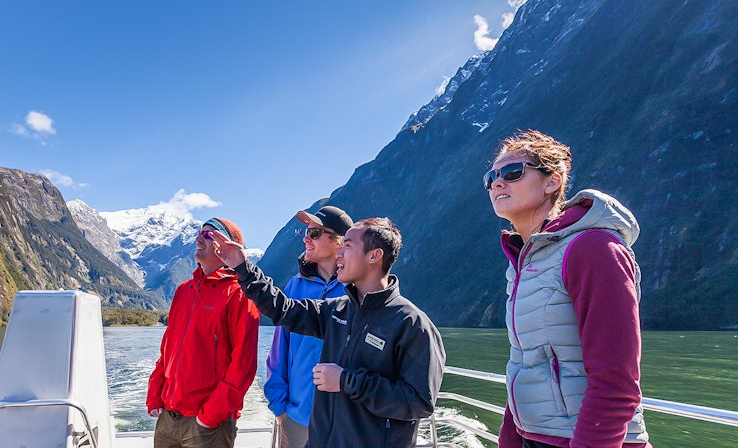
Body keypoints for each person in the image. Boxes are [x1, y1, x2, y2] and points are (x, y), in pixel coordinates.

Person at [211, 217, 446, 448]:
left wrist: (346, 381)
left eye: (348, 246)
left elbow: (418, 402)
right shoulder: (338, 310)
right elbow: (284, 309)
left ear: (374, 256)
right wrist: (243, 268)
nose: (340, 254)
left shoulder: (412, 325)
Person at [484, 130, 650, 448]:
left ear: (552, 182)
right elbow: (525, 365)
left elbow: (617, 381)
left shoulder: (594, 248)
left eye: (512, 172)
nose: (497, 183)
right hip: (535, 437)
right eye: (491, 177)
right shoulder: (523, 264)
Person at [145, 218, 260, 448]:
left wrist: (209, 417)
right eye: (200, 233)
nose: (199, 238)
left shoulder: (239, 294)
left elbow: (243, 365)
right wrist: (155, 395)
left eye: (209, 235)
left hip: (207, 425)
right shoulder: (183, 290)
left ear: (228, 246)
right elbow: (167, 350)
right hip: (168, 418)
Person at [265, 205, 353, 448]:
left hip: (346, 422)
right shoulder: (294, 286)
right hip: (297, 417)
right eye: (305, 232)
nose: (306, 238)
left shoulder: (356, 288)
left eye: (315, 233)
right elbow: (278, 350)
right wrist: (280, 409)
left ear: (339, 243)